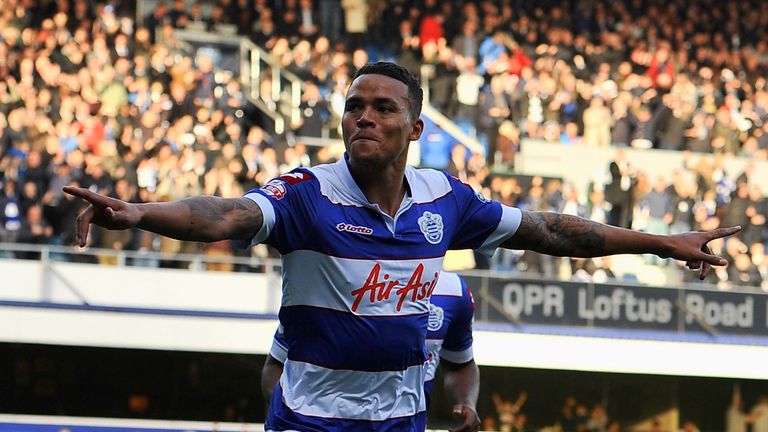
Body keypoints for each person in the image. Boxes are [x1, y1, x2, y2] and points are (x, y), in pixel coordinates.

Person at [64, 61, 739, 432]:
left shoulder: (447, 201)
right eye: (355, 104)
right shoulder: (305, 193)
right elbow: (226, 215)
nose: (364, 115)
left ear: (415, 126)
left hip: (401, 423)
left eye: (383, 107)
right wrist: (141, 212)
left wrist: (660, 241)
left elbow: (552, 230)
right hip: (311, 421)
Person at [262, 271, 479, 431]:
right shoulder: (331, 281)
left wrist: (466, 403)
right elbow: (276, 365)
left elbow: (460, 363)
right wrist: (289, 418)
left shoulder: (454, 292)